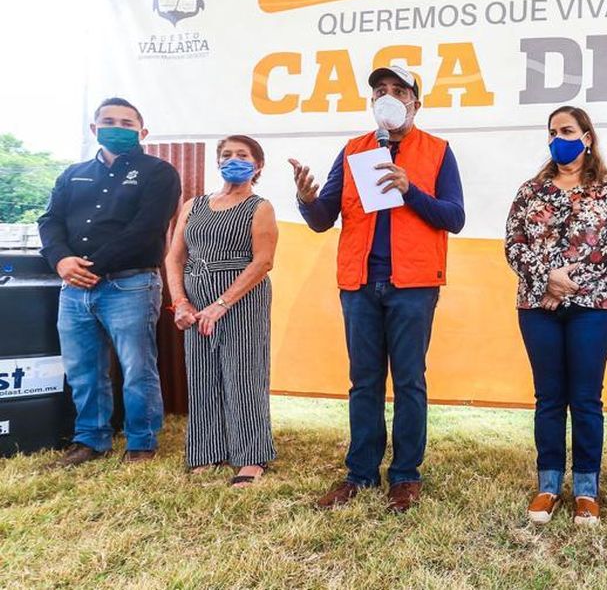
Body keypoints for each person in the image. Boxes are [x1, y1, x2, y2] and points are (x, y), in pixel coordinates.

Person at [289, 65, 465, 512]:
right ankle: (360, 473)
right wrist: (307, 200)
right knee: (364, 382)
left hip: (413, 285)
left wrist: (411, 190)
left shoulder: (438, 151)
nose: (388, 97)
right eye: (380, 90)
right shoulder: (354, 150)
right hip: (360, 282)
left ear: (415, 103)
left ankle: (405, 476)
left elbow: (455, 217)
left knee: (409, 382)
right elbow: (323, 218)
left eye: (398, 90)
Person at [505, 106, 607, 526]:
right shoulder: (531, 191)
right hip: (537, 308)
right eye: (552, 132)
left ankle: (585, 490)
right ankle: (548, 486)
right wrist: (547, 279)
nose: (557, 138)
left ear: (587, 137)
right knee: (548, 398)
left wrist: (566, 282)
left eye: (566, 130)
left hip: (594, 308)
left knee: (584, 399)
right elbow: (514, 244)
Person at [38, 97, 182, 466]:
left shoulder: (159, 173)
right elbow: (50, 220)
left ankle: (141, 442)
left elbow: (147, 228)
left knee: (137, 368)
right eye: (109, 121)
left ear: (142, 132)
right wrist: (61, 260)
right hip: (73, 287)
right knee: (83, 369)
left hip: (130, 285)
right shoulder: (73, 174)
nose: (117, 128)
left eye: (126, 123)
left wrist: (92, 267)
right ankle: (90, 440)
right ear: (94, 128)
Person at [165, 135, 278, 486]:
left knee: (243, 374)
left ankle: (251, 457)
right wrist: (180, 303)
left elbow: (263, 262)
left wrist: (221, 304)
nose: (233, 159)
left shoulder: (260, 207)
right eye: (226, 154)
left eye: (242, 155)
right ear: (217, 161)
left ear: (257, 165)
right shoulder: (194, 205)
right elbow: (174, 257)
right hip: (195, 301)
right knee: (201, 374)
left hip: (243, 300)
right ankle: (207, 451)